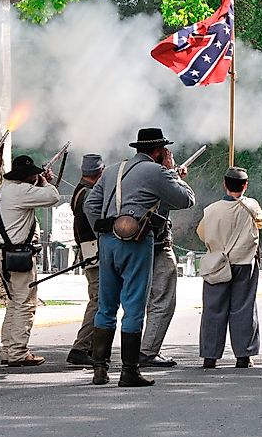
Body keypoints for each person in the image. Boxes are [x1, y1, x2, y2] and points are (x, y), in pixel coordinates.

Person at [85, 128, 195, 387]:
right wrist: (172, 172)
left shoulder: (112, 170)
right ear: (158, 151)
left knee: (106, 307)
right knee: (134, 307)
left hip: (107, 241)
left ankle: (99, 369)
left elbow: (91, 206)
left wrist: (107, 231)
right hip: (136, 242)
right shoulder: (158, 171)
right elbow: (186, 200)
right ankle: (129, 371)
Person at [0, 155, 61, 367]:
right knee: (25, 304)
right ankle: (18, 353)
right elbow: (53, 196)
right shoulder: (21, 191)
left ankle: (8, 349)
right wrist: (44, 181)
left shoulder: (7, 188)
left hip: (4, 253)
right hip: (18, 255)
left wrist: (38, 181)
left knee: (15, 302)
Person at [197, 167, 262, 368]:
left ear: (224, 184)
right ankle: (244, 355)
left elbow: (202, 234)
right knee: (244, 307)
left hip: (217, 264)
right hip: (244, 261)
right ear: (245, 185)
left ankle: (210, 356)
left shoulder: (210, 210)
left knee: (213, 309)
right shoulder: (252, 205)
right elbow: (259, 223)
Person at [66, 154, 105, 366]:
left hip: (89, 250)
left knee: (98, 299)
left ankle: (91, 347)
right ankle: (80, 348)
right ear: (100, 172)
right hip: (94, 250)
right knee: (98, 300)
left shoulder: (81, 190)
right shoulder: (89, 193)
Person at [139, 206, 179, 368]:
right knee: (162, 300)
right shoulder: (158, 186)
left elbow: (93, 206)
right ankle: (148, 351)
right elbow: (186, 199)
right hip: (158, 244)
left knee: (133, 300)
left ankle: (129, 352)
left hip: (126, 242)